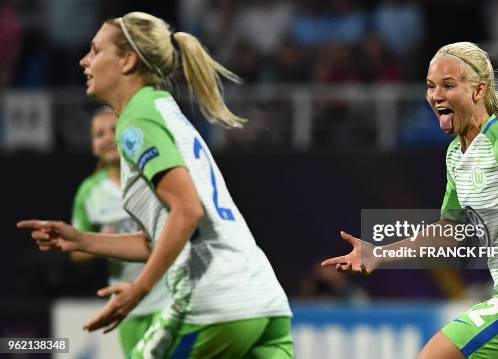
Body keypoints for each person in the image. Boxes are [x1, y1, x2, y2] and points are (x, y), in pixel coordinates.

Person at [18, 11, 293, 358]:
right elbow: (165, 235)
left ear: (128, 60)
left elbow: (188, 210)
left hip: (212, 301)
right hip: (263, 300)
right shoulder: (163, 110)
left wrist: (139, 288)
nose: (84, 60)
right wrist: (82, 239)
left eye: (96, 50)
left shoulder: (137, 120)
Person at [322, 42, 498, 358]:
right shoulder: (456, 154)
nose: (436, 95)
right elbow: (448, 230)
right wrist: (380, 255)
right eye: (430, 86)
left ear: (478, 90)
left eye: (448, 85)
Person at [70, 107, 170, 356]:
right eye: (99, 134)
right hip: (127, 305)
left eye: (114, 130)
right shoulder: (89, 192)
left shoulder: (150, 174)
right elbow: (76, 253)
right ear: (93, 146)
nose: (107, 138)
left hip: (168, 296)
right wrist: (106, 242)